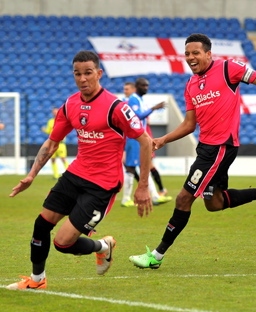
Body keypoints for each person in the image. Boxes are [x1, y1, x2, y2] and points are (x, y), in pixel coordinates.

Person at [128, 33, 256, 269]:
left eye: (196, 53)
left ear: (208, 54)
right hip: (206, 147)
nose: (191, 58)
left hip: (220, 147)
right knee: (214, 203)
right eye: (187, 54)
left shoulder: (227, 69)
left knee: (183, 199)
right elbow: (189, 125)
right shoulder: (191, 85)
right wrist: (163, 139)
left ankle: (156, 256)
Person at [6, 50, 153, 290]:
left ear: (99, 73)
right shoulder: (71, 104)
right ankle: (37, 280)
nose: (82, 78)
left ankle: (103, 247)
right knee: (41, 224)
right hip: (75, 175)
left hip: (102, 185)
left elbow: (145, 141)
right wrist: (32, 174)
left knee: (63, 244)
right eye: (77, 73)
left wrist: (143, 185)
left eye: (88, 73)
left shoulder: (116, 107)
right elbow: (52, 142)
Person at [121, 77, 172, 207]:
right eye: (144, 86)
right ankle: (126, 198)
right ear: (137, 87)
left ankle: (153, 196)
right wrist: (154, 108)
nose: (146, 88)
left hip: (140, 137)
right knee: (133, 168)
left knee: (143, 166)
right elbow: (137, 116)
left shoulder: (140, 100)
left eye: (147, 86)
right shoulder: (133, 99)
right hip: (133, 138)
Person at [41, 107, 69, 179]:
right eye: (54, 112)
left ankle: (69, 174)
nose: (55, 113)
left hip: (61, 143)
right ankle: (55, 175)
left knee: (63, 158)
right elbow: (48, 131)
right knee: (53, 159)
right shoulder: (50, 121)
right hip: (52, 143)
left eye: (56, 112)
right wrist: (45, 130)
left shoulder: (63, 120)